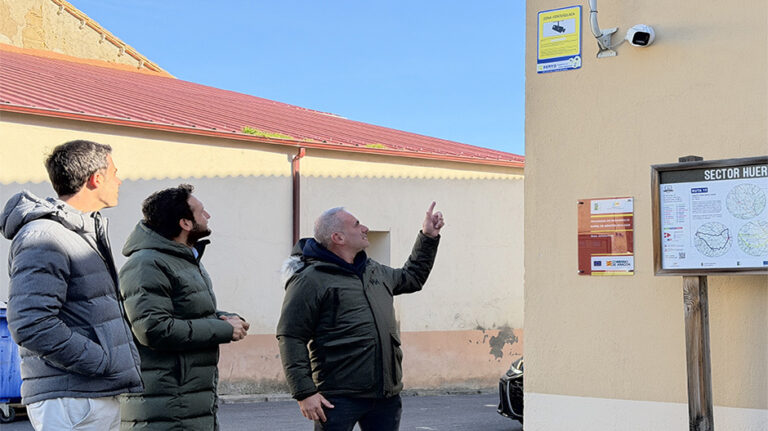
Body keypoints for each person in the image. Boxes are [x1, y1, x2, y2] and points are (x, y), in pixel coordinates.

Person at [0, 140, 143, 431]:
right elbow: (31, 323)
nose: (119, 180)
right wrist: (99, 360)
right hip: (72, 399)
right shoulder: (44, 235)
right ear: (96, 178)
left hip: (87, 394)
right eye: (114, 172)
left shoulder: (80, 232)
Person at [277, 202, 445, 431]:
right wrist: (304, 392)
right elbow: (291, 336)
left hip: (385, 395)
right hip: (338, 398)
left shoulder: (374, 270)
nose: (365, 227)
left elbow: (413, 277)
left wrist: (428, 237)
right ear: (338, 237)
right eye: (356, 224)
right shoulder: (310, 280)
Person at [117, 184, 249, 430]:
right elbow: (153, 328)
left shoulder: (183, 259)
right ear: (185, 223)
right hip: (165, 408)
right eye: (201, 212)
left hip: (189, 404)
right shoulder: (146, 264)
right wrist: (222, 330)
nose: (207, 216)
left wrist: (224, 319)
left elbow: (186, 312)